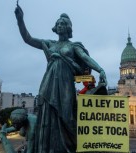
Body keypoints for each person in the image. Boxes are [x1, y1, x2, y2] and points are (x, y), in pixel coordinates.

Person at [14, 3, 107, 153]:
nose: (60, 25)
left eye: (63, 23)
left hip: (65, 85)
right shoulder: (49, 43)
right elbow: (28, 38)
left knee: (67, 117)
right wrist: (20, 20)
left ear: (68, 27)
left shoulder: (73, 46)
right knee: (47, 117)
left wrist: (100, 69)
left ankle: (68, 148)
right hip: (48, 83)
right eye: (58, 23)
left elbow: (84, 57)